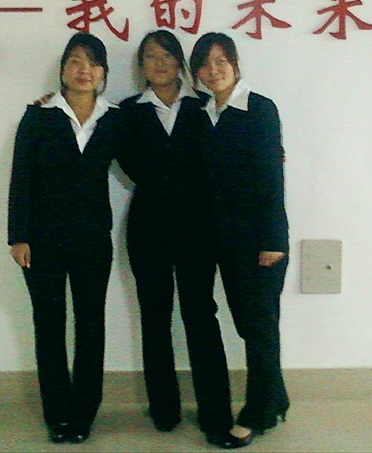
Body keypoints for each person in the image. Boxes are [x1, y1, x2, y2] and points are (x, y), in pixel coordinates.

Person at [118, 30, 234, 444]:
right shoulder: (127, 111)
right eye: (151, 56)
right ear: (141, 66)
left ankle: (215, 412)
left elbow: (225, 156)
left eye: (168, 55)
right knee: (154, 317)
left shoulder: (205, 105)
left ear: (182, 63)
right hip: (147, 228)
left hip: (198, 229)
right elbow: (122, 158)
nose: (160, 63)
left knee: (200, 315)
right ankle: (163, 408)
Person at [7, 32, 122, 444]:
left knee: (91, 325)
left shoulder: (115, 119)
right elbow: (21, 177)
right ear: (62, 69)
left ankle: (84, 413)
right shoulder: (38, 116)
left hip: (93, 239)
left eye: (92, 63)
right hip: (42, 240)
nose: (83, 70)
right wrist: (18, 237)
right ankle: (57, 414)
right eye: (75, 61)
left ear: (103, 72)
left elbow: (146, 162)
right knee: (49, 325)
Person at [190, 32, 290, 449]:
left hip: (259, 240)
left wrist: (273, 239)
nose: (213, 70)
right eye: (205, 63)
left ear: (234, 63)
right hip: (221, 240)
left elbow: (271, 176)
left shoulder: (259, 108)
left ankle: (258, 414)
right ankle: (277, 399)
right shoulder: (202, 112)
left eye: (221, 61)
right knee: (251, 325)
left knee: (259, 327)